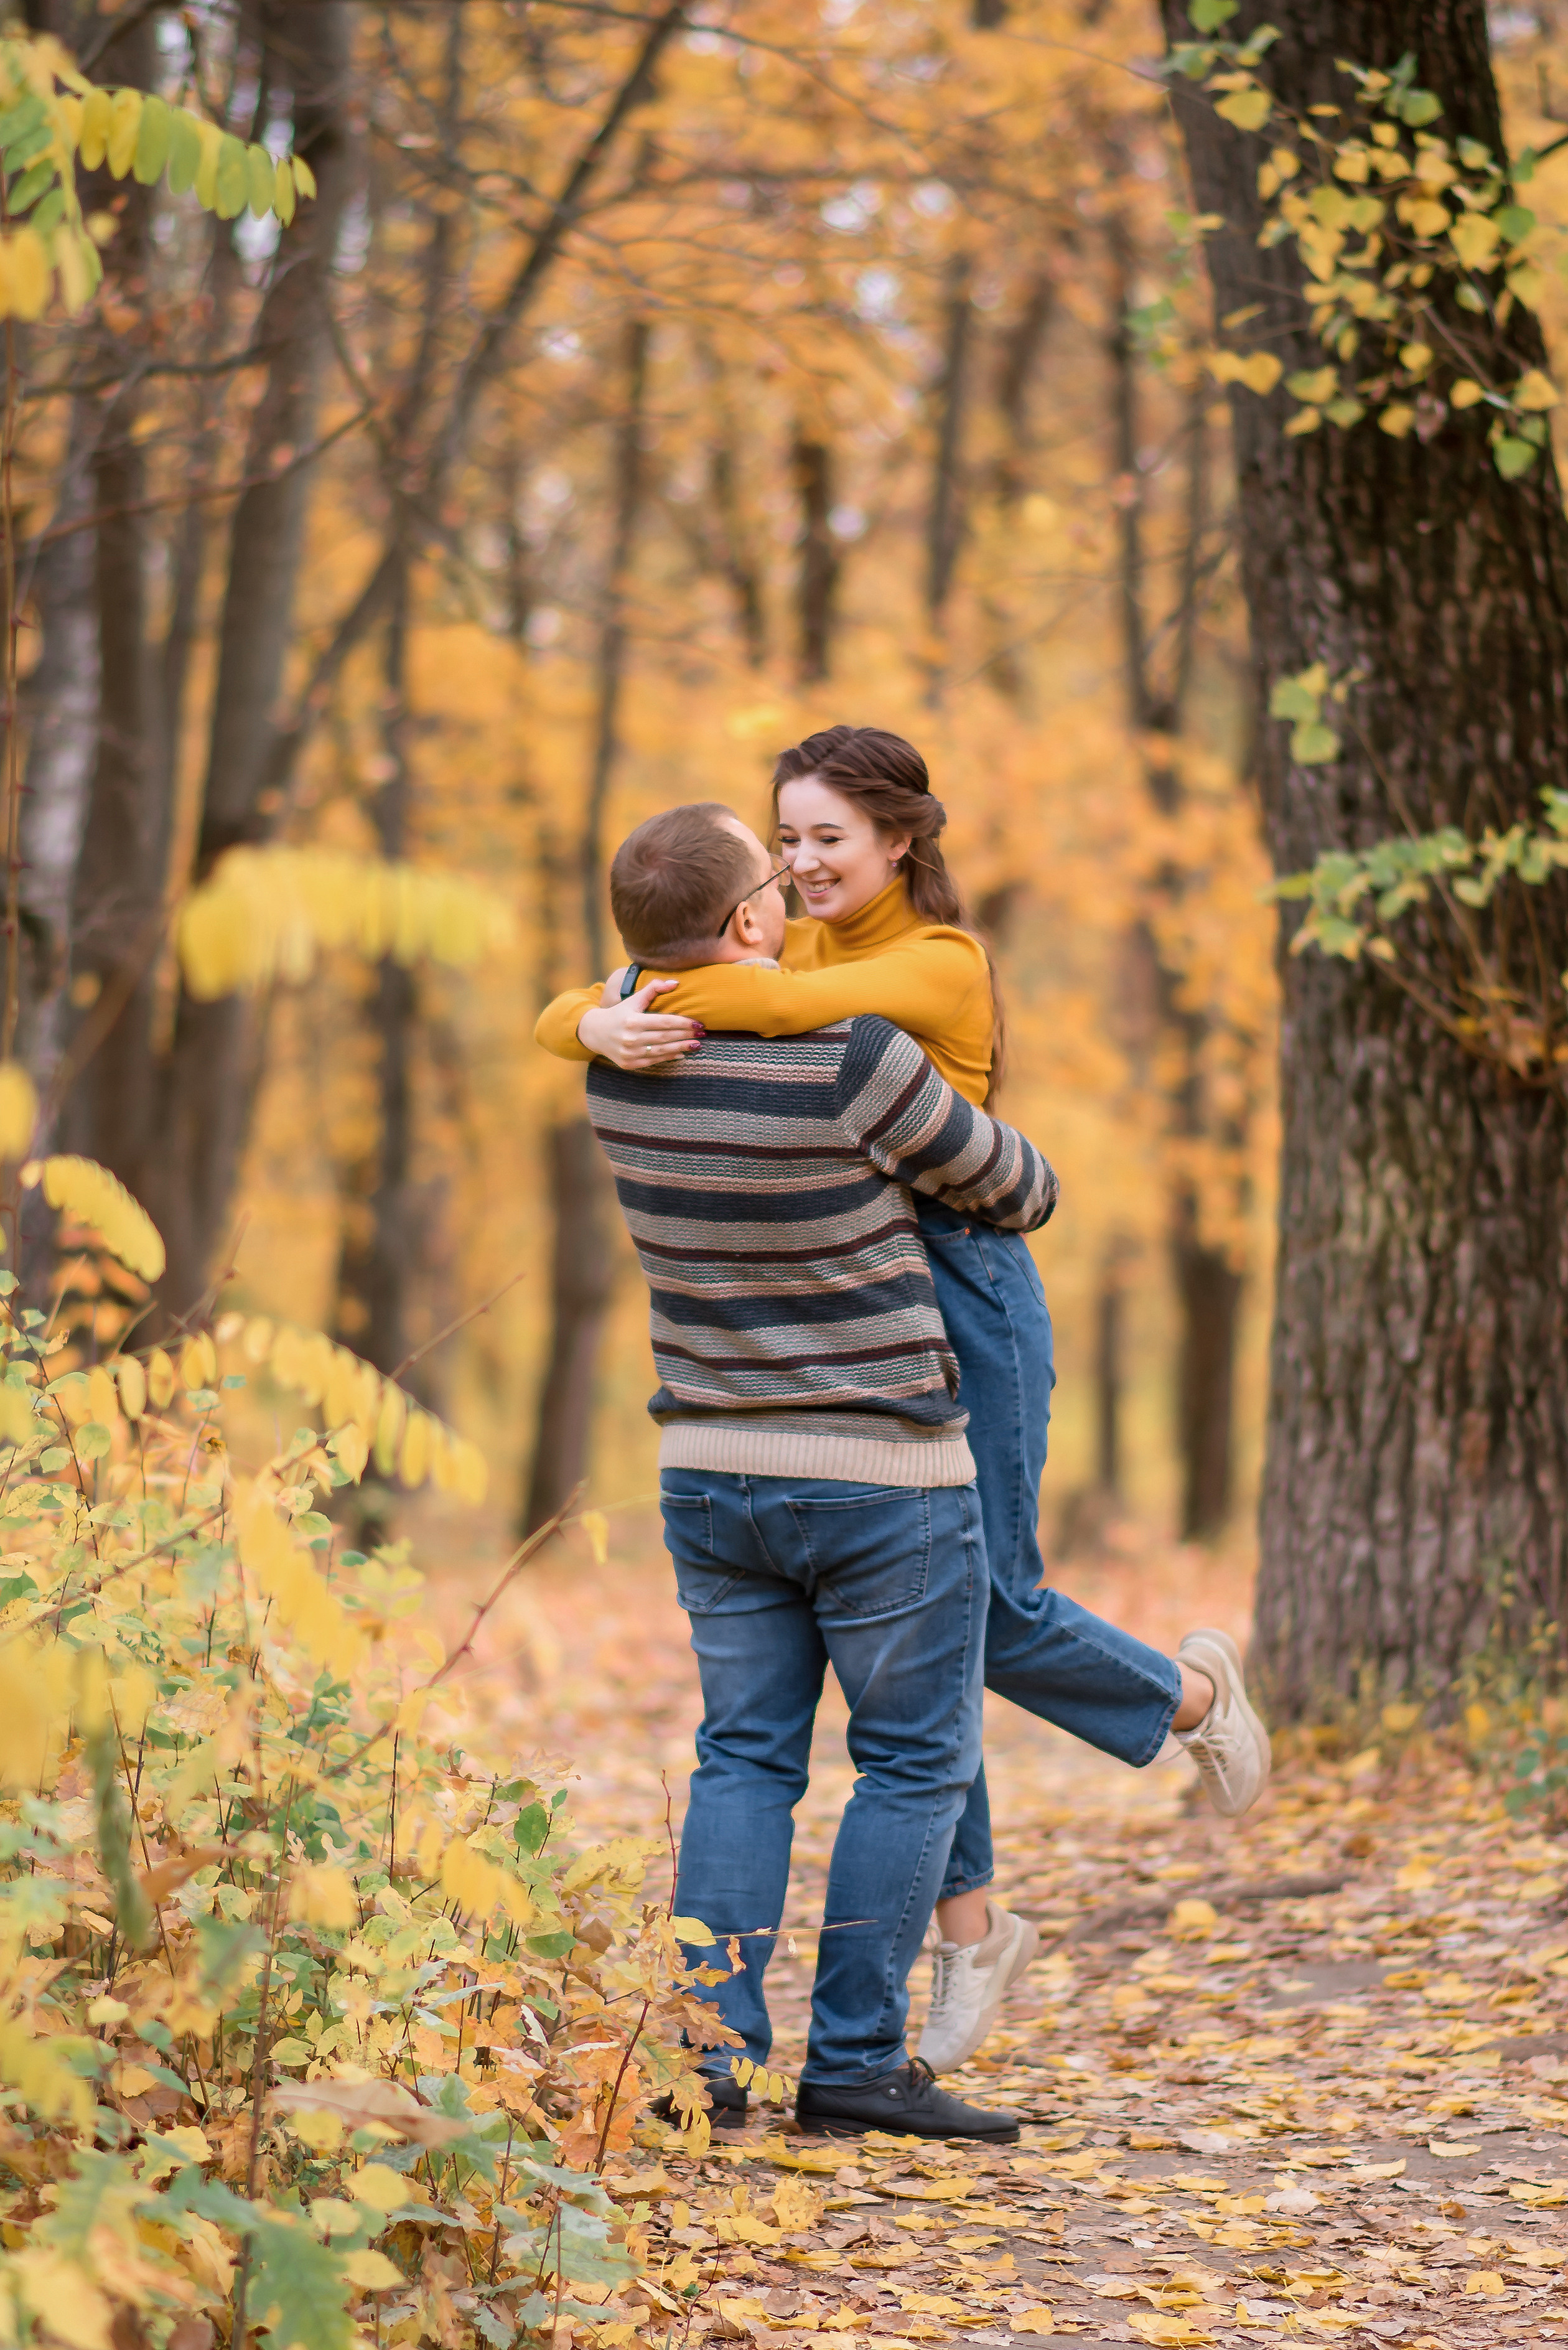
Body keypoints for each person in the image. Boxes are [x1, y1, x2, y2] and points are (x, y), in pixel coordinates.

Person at [536, 727, 1271, 2077]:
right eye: (788, 838)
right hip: (858, 1271)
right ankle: (977, 1923)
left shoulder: (931, 963)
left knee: (971, 1600)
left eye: (829, 837)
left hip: (964, 1272)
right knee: (934, 1632)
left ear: (901, 841)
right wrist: (600, 1005)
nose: (807, 862)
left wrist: (623, 1008)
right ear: (755, 895)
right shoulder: (792, 954)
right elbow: (710, 985)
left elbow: (760, 1011)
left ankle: (1182, 1700)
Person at [576, 799, 1059, 2142]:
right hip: (883, 1470)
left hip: (710, 1461)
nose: (794, 884)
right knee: (911, 1764)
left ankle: (711, 2063)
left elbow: (622, 1002)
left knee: (743, 1758)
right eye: (770, 876)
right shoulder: (857, 1057)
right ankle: (854, 2062)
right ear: (746, 923)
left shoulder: (617, 1066)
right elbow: (1019, 1188)